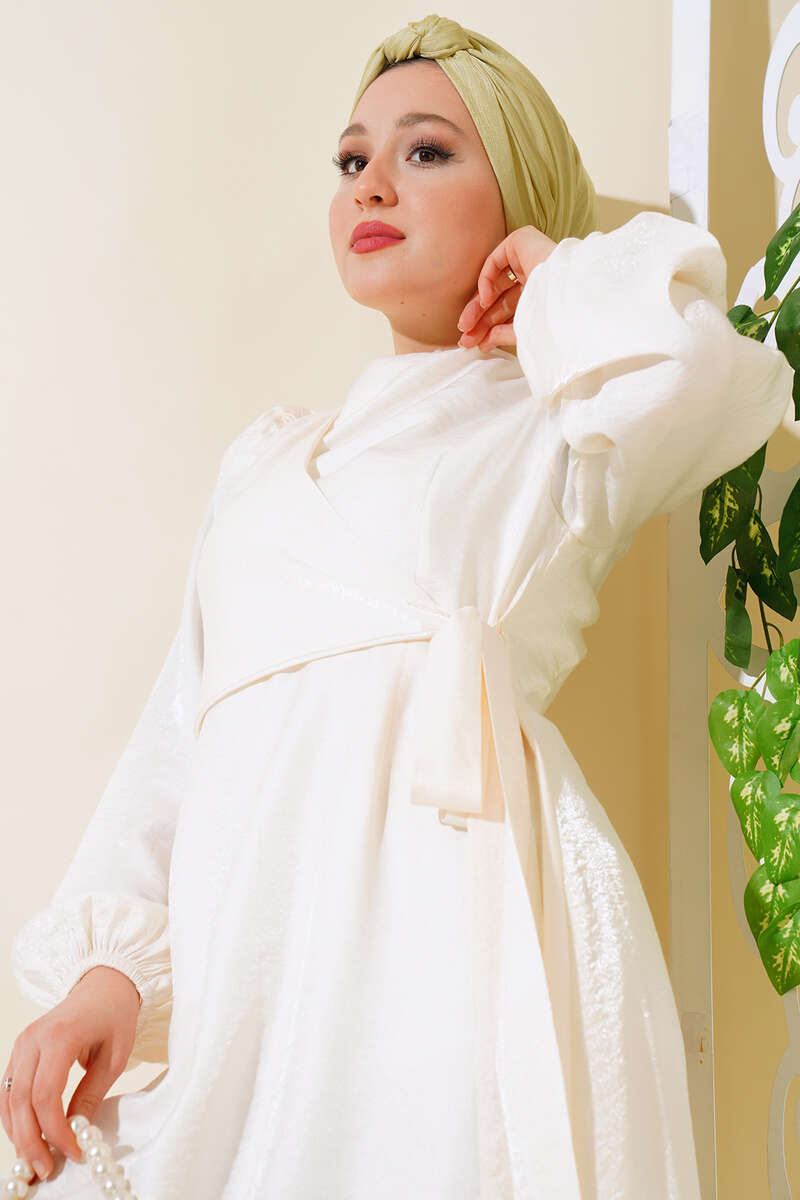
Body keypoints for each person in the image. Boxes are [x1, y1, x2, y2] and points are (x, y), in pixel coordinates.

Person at [1, 13, 791, 1199]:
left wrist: (550, 279)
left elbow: (710, 376)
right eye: (350, 158)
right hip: (258, 977)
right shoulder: (264, 464)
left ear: (515, 190)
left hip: (454, 945)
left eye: (425, 150)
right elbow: (180, 742)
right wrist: (110, 976)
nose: (370, 181)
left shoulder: (558, 426)